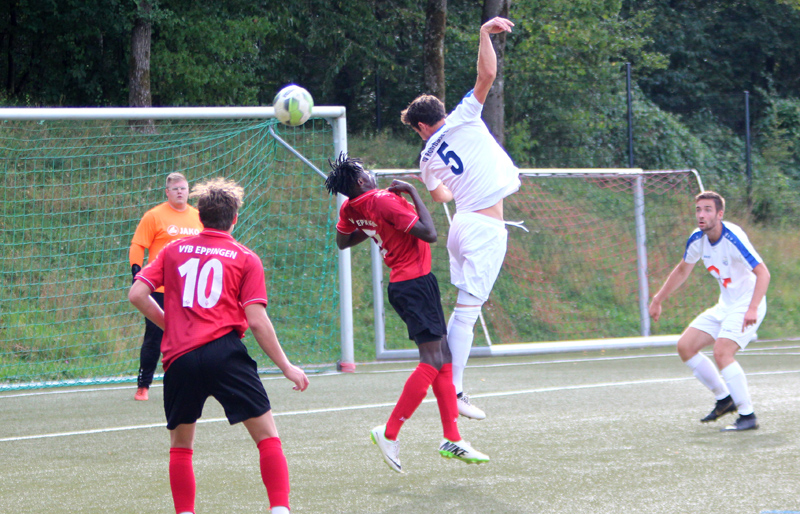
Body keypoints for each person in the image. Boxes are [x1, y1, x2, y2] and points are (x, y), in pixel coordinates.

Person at [128, 177, 309, 514]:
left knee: (181, 447)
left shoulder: (171, 250)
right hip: (225, 354)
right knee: (268, 438)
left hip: (180, 358)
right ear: (235, 218)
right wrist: (286, 366)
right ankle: (280, 510)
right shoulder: (245, 257)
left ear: (200, 216)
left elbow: (137, 294)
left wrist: (172, 326)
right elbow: (256, 321)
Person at [325, 153, 489, 473]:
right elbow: (430, 233)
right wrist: (413, 193)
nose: (371, 173)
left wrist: (373, 225)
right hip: (413, 284)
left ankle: (452, 437)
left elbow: (343, 241)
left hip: (410, 284)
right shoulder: (384, 200)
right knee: (431, 360)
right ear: (361, 181)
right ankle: (389, 432)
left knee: (444, 356)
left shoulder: (351, 207)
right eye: (366, 171)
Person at [400, 16, 521, 420]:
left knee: (462, 311)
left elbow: (441, 194)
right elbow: (487, 72)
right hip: (483, 227)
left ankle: (452, 382)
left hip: (462, 225)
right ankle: (455, 389)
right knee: (467, 312)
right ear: (440, 112)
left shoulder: (425, 158)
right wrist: (484, 33)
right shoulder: (464, 116)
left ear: (421, 125)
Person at [649, 191, 770, 431]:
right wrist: (658, 298)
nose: (701, 215)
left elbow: (763, 273)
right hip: (725, 305)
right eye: (698, 210)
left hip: (747, 303)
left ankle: (748, 416)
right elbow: (683, 270)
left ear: (720, 214)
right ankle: (724, 399)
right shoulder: (697, 239)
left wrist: (753, 308)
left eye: (707, 210)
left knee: (722, 351)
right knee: (685, 346)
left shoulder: (733, 237)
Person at [129, 172, 203, 401]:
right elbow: (138, 244)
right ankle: (144, 385)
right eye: (175, 188)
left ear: (188, 191)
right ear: (167, 192)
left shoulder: (199, 216)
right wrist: (136, 272)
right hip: (160, 290)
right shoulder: (154, 216)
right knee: (155, 336)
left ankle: (195, 381)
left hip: (189, 289)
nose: (180, 191)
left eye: (183, 188)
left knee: (194, 335)